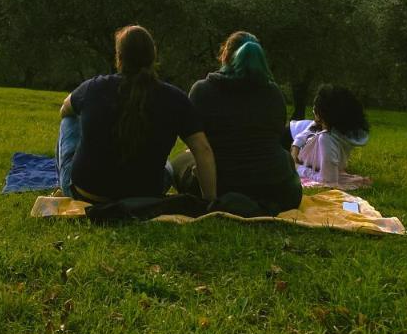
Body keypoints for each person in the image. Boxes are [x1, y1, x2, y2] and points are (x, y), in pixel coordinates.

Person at [55, 25, 216, 203]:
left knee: (69, 119)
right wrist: (209, 200)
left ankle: (63, 183)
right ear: (153, 56)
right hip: (146, 195)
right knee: (169, 168)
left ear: (119, 57)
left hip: (87, 194)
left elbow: (65, 109)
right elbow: (202, 149)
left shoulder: (93, 88)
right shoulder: (175, 98)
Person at [171, 32, 302, 216]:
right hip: (277, 190)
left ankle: (228, 201)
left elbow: (197, 143)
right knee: (284, 158)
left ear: (224, 56)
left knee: (179, 161)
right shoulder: (274, 94)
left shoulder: (202, 91)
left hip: (220, 184)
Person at [291, 84, 370, 187]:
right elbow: (304, 134)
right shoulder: (334, 128)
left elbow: (327, 181)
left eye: (316, 109)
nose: (313, 111)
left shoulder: (327, 137)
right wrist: (294, 153)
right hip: (291, 134)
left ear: (325, 115)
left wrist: (298, 168)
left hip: (302, 137)